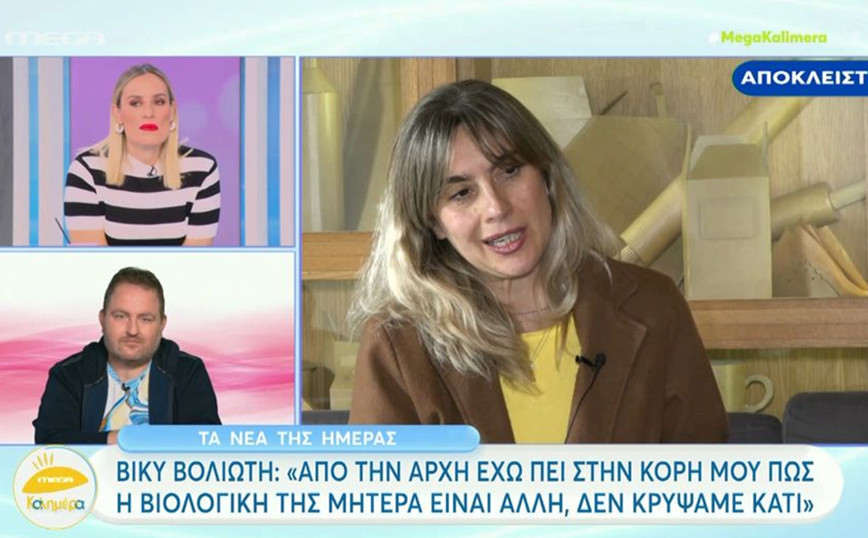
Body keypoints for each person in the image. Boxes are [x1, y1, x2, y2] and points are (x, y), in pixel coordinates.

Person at [348, 80, 727, 443]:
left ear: (546, 176)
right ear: (434, 223)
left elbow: (704, 476)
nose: (496, 207)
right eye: (461, 193)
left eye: (509, 171)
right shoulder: (397, 343)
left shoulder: (653, 306)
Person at [33, 267, 221, 444]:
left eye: (145, 319)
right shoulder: (68, 374)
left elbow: (206, 443)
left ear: (162, 324)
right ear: (102, 319)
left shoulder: (188, 372)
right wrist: (121, 440)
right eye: (121, 316)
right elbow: (48, 442)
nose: (132, 330)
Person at [64, 63, 220, 246]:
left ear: (172, 110)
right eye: (135, 103)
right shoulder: (86, 171)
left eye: (159, 102)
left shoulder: (202, 169)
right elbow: (94, 260)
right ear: (117, 113)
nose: (148, 113)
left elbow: (194, 259)